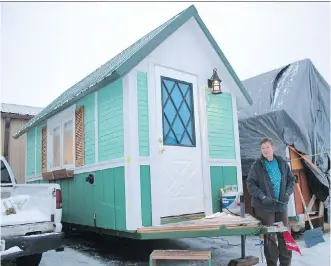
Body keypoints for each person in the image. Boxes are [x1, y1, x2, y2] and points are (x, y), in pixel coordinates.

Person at [246, 137, 295, 266]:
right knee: (270, 235)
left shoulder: (282, 163)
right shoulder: (257, 166)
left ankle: (285, 263)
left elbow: (291, 180)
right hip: (265, 206)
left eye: (267, 147)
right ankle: (272, 263)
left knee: (285, 234)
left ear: (273, 148)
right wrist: (262, 196)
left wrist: (287, 193)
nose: (265, 150)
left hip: (281, 205)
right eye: (263, 148)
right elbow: (250, 184)